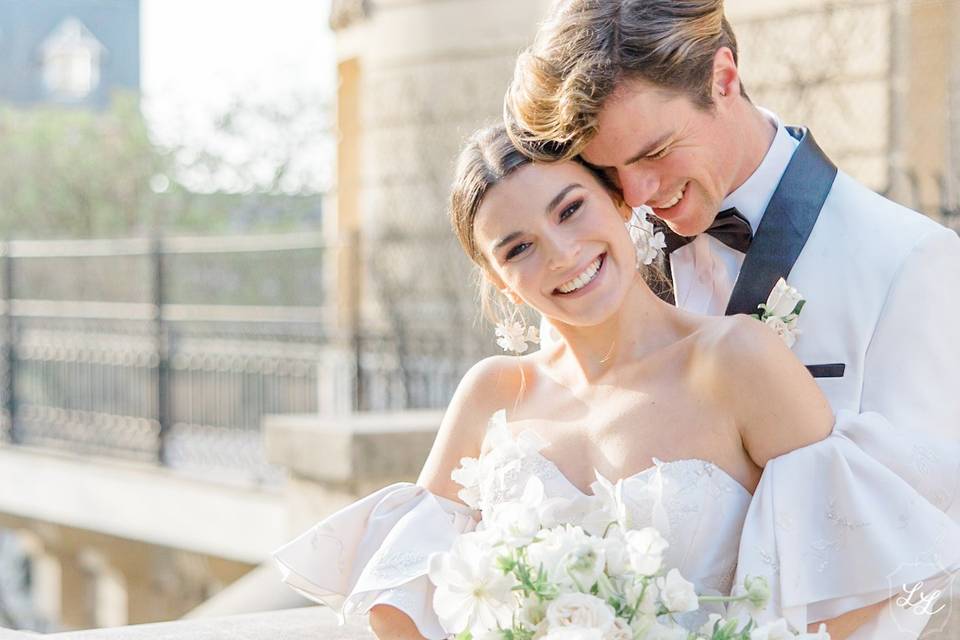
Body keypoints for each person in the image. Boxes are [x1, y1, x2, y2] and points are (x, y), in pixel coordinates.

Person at [272, 125, 960, 640]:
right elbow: (402, 607)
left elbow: (860, 594)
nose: (563, 253)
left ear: (618, 201)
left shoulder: (737, 360)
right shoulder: (492, 396)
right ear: (496, 280)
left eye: (570, 209)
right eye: (517, 248)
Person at [503, 0, 960, 637]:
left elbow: (930, 555)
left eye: (655, 151)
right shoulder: (594, 264)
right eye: (609, 170)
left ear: (723, 78)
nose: (635, 196)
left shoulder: (912, 264)